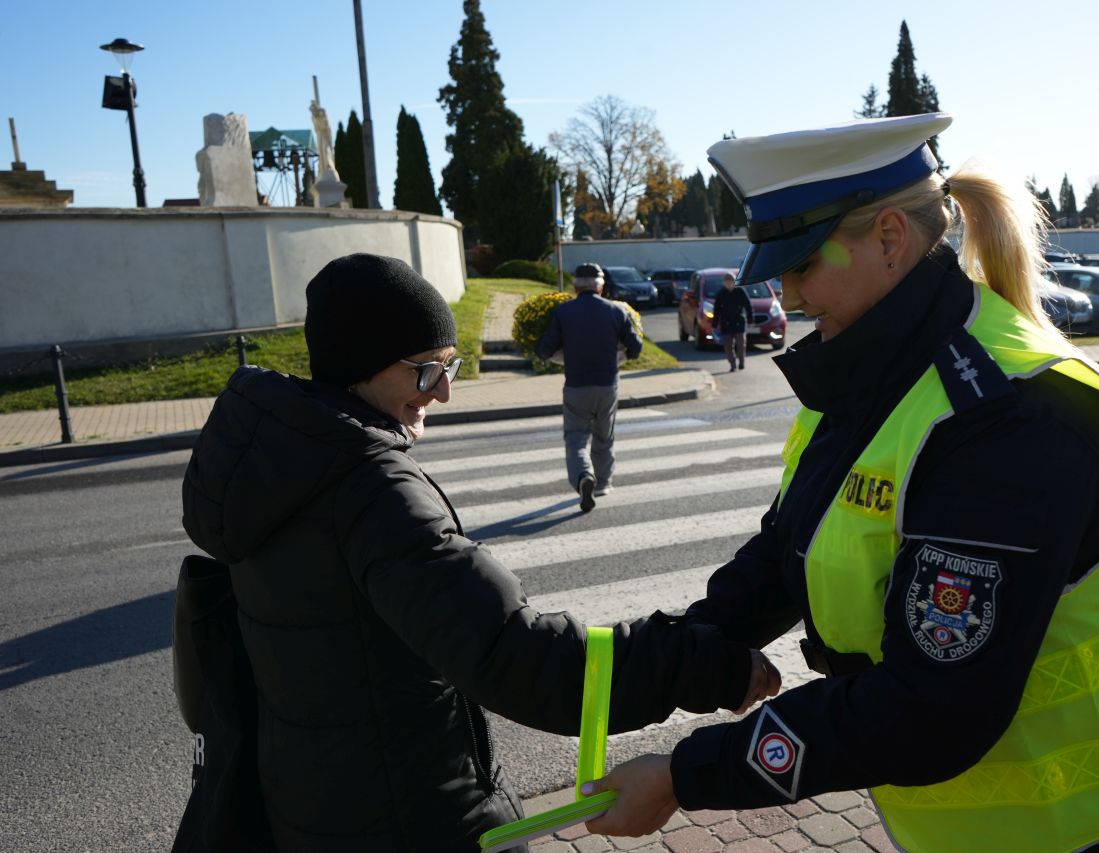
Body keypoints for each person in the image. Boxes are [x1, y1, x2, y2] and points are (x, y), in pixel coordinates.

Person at [582, 114, 1099, 852]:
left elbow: (930, 709)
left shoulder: (1011, 421)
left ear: (891, 238)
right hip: (961, 828)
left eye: (803, 265)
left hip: (1079, 827)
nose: (789, 297)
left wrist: (688, 774)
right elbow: (789, 548)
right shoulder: (873, 367)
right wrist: (670, 662)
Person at [181, 253, 778, 852]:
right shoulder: (371, 492)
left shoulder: (277, 464)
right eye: (426, 372)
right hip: (413, 819)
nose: (443, 392)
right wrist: (701, 667)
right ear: (361, 365)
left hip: (316, 806)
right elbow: (516, 655)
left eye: (450, 367)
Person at [535, 262, 643, 512]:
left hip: (576, 385)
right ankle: (603, 483)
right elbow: (636, 348)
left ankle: (584, 476)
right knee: (604, 435)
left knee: (576, 438)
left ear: (575, 287)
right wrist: (619, 356)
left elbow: (544, 350)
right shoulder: (616, 311)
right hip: (607, 384)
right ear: (601, 287)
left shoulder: (563, 312)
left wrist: (562, 356)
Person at [712, 272, 752, 371]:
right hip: (726, 323)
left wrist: (750, 320)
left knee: (741, 344)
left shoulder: (740, 291)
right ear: (724, 283)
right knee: (728, 346)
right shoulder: (721, 294)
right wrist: (714, 324)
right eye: (727, 282)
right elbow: (716, 310)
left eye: (731, 282)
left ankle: (741, 362)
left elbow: (748, 306)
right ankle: (732, 364)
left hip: (739, 322)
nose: (729, 284)